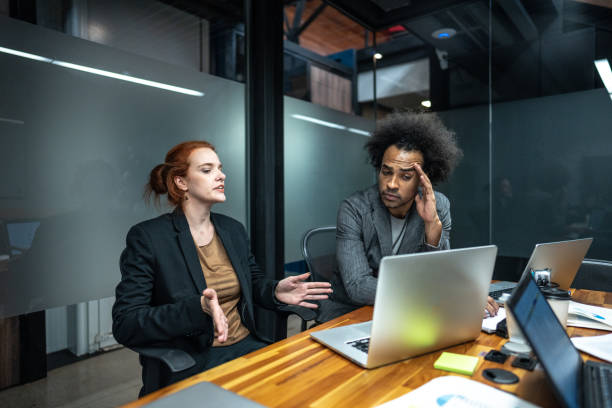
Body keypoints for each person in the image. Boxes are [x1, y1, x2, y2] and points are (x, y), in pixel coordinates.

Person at [112, 141, 332, 396]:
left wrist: (274, 291)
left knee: (313, 388)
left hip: (247, 347)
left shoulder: (232, 229)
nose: (221, 175)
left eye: (220, 168)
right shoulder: (149, 237)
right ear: (182, 182)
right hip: (196, 359)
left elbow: (252, 280)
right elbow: (125, 323)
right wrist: (198, 309)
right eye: (207, 170)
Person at [317, 112, 499, 322]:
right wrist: (443, 294)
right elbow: (358, 287)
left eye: (405, 176)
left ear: (423, 179)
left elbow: (438, 273)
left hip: (406, 312)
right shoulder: (354, 209)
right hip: (349, 313)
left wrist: (432, 226)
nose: (392, 184)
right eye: (386, 172)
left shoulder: (438, 206)